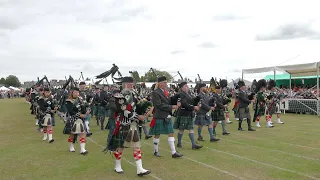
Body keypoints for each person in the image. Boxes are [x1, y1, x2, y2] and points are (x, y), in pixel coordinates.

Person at [105, 77, 151, 176]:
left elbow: (138, 107)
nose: (132, 86)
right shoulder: (118, 96)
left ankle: (139, 169)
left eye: (132, 84)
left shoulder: (134, 95)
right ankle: (117, 165)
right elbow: (123, 110)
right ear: (124, 85)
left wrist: (146, 105)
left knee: (136, 146)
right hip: (123, 124)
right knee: (120, 147)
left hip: (133, 125)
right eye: (130, 84)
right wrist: (138, 117)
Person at [149, 76, 183, 158]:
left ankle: (173, 152)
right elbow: (159, 105)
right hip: (159, 116)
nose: (166, 84)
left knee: (171, 133)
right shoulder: (155, 92)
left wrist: (176, 101)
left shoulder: (166, 92)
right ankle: (156, 151)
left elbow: (168, 101)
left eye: (166, 82)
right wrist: (171, 107)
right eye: (164, 82)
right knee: (157, 134)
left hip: (167, 116)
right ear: (159, 83)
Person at [175, 81, 203, 149]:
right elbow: (184, 104)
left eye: (187, 86)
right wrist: (194, 107)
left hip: (189, 113)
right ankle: (179, 143)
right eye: (185, 86)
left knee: (191, 129)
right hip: (183, 114)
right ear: (182, 88)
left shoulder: (188, 94)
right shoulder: (181, 94)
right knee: (181, 129)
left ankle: (193, 144)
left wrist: (197, 103)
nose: (187, 87)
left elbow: (191, 102)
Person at [63, 87, 89, 155]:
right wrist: (81, 115)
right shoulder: (68, 101)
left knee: (82, 133)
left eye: (78, 92)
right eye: (75, 92)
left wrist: (84, 106)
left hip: (80, 119)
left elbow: (83, 110)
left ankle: (82, 149)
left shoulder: (80, 100)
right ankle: (71, 146)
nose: (77, 94)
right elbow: (71, 111)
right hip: (73, 119)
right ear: (72, 92)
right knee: (72, 134)